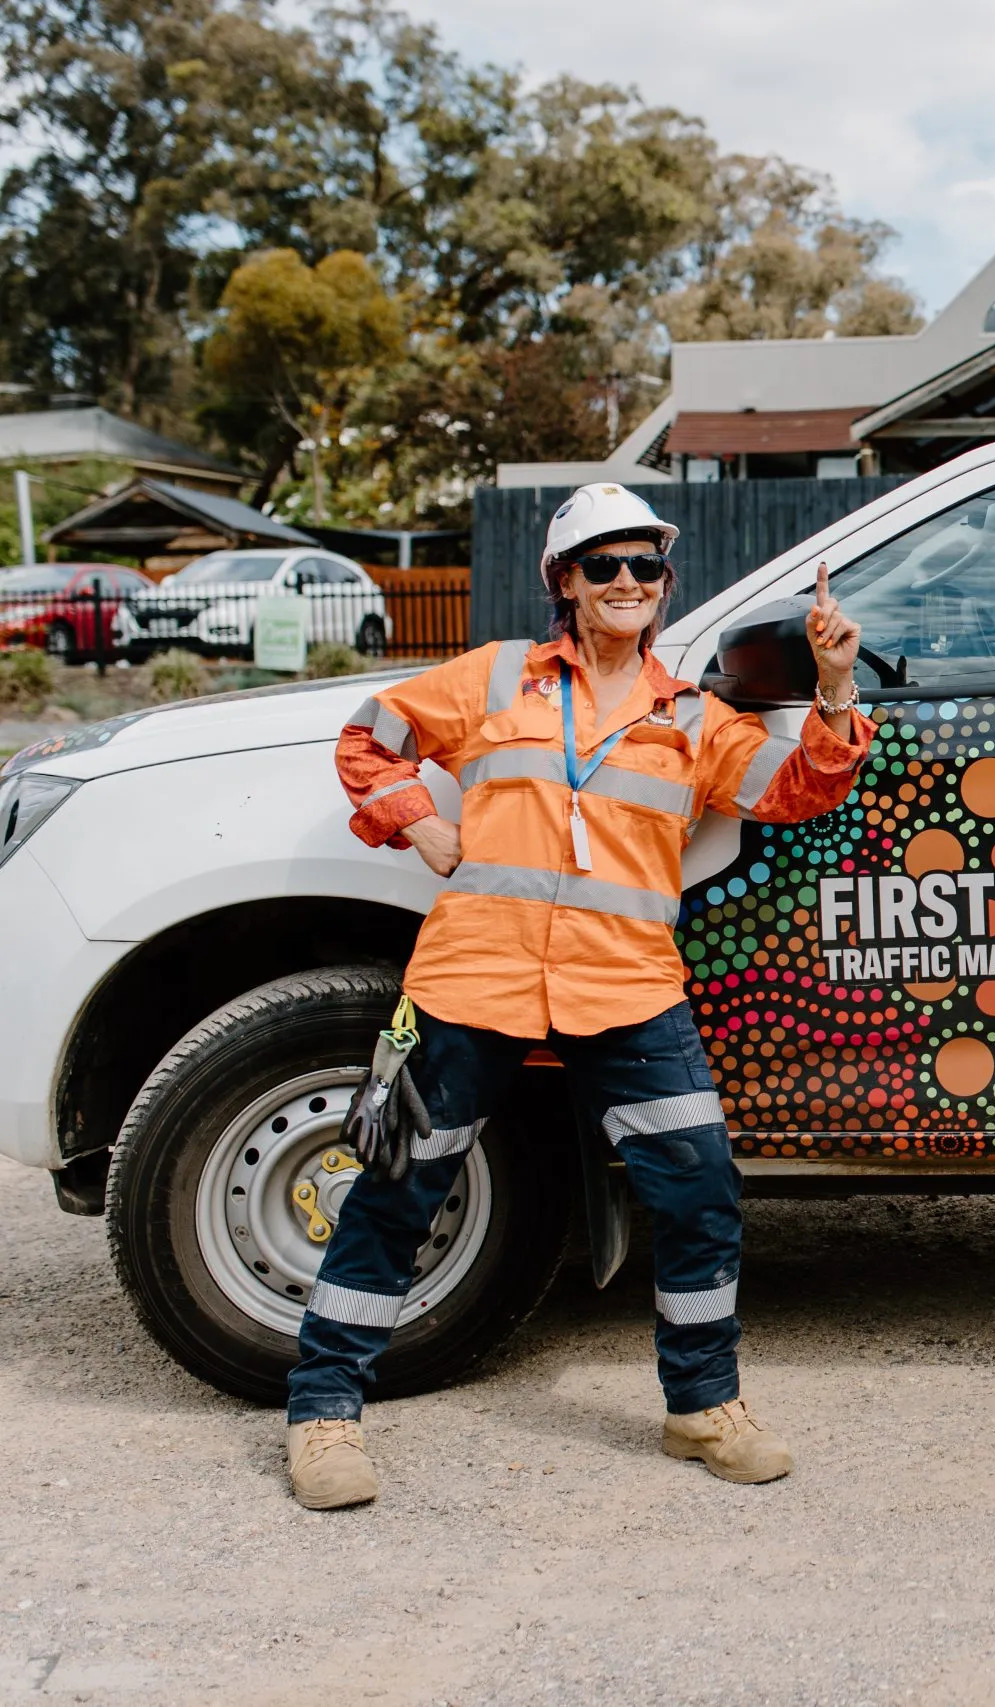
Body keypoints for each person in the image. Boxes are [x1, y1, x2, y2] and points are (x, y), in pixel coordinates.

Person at [285, 482, 873, 1510]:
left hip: (626, 984)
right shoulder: (494, 679)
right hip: (477, 973)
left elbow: (801, 788)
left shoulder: (689, 717)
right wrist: (419, 824)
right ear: (565, 580)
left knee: (697, 1192)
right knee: (397, 1187)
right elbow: (367, 738)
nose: (628, 582)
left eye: (645, 565)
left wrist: (832, 688)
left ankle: (702, 1407)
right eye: (604, 564)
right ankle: (324, 1414)